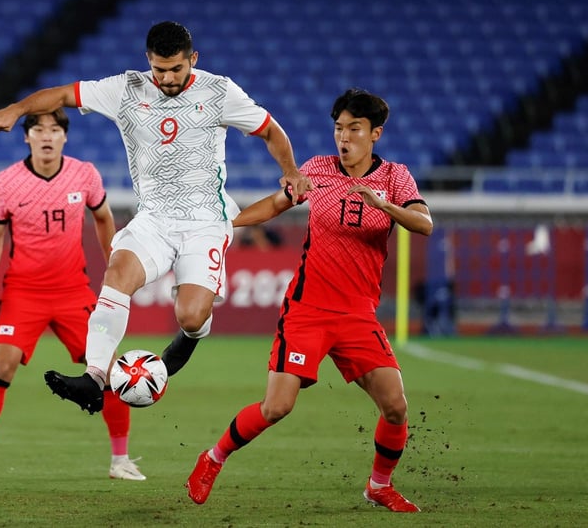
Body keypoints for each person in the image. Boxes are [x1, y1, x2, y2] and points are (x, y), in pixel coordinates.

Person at [0, 21, 313, 415]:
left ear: (193, 59)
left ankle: (193, 335)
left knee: (191, 315)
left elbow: (270, 130)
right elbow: (61, 94)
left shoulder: (219, 91)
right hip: (154, 217)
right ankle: (94, 377)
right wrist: (16, 108)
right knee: (117, 275)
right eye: (159, 69)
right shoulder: (126, 89)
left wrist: (291, 170)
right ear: (147, 61)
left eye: (176, 69)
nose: (168, 78)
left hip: (205, 220)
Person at [185, 89, 433, 512]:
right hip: (308, 310)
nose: (344, 137)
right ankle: (213, 458)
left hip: (357, 314)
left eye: (354, 129)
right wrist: (227, 222)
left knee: (395, 406)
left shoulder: (394, 176)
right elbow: (276, 205)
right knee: (277, 406)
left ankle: (378, 485)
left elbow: (424, 223)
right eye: (339, 128)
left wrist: (385, 205)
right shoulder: (317, 169)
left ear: (375, 133)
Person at [0, 108, 147, 481]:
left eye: (55, 129)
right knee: (2, 364)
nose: (47, 135)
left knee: (108, 370)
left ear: (65, 136)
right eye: (39, 129)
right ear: (27, 137)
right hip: (23, 292)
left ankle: (121, 460)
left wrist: (113, 262)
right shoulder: (7, 182)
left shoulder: (85, 174)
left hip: (72, 291)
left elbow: (104, 217)